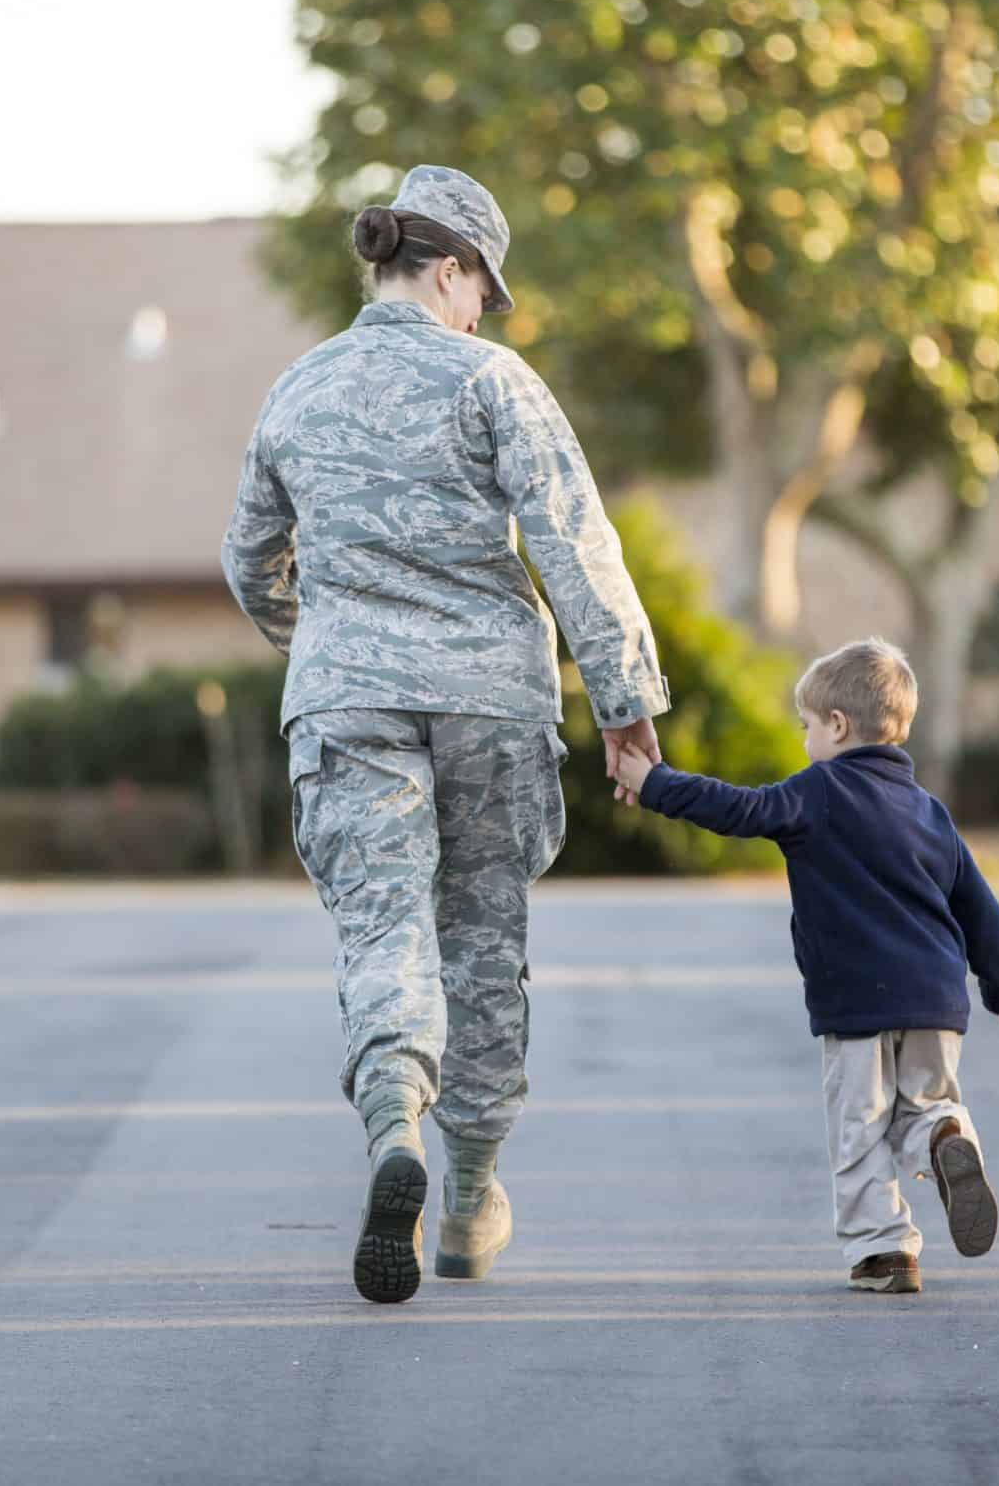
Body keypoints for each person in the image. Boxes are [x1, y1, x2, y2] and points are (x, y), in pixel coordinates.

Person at [222, 164, 669, 1305]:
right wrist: (624, 705)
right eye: (482, 291)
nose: (482, 315)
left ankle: (394, 1140)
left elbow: (247, 559)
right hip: (489, 701)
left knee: (383, 933)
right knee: (481, 938)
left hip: (347, 700)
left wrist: (321, 645)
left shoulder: (297, 388)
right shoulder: (494, 381)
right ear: (452, 270)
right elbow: (573, 539)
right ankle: (470, 1195)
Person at [606, 637, 999, 1294]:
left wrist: (653, 783)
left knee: (858, 1128)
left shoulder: (816, 793)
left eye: (806, 726)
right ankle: (948, 1133)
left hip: (855, 1002)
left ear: (838, 724)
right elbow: (978, 905)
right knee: (925, 1106)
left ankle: (883, 1251)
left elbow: (736, 809)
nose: (804, 741)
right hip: (936, 1001)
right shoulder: (929, 813)